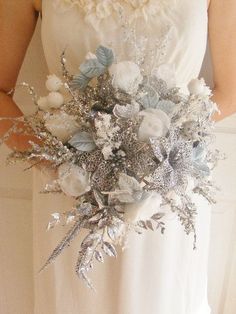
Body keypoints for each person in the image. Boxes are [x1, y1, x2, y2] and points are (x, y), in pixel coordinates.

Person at [0, 1, 236, 313]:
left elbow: (232, 90)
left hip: (166, 189)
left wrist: (164, 144)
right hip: (73, 191)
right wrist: (57, 159)